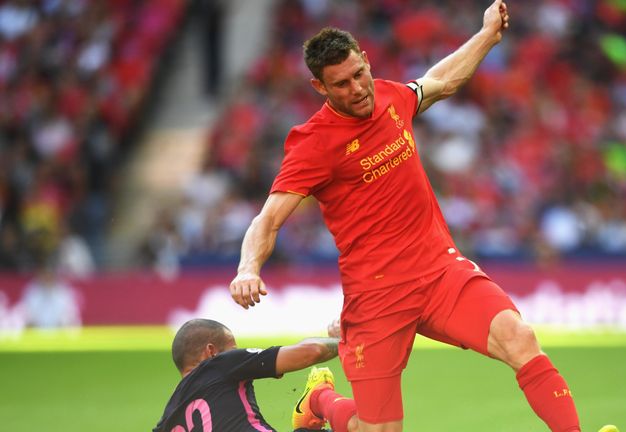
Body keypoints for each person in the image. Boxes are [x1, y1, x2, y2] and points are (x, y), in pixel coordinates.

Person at [230, 1, 582, 431]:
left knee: (519, 337)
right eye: (340, 84)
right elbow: (267, 220)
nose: (357, 89)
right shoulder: (313, 145)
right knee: (376, 428)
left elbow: (443, 80)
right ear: (320, 87)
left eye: (359, 74)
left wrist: (488, 34)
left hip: (439, 272)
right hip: (377, 296)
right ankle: (321, 400)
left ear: (366, 61)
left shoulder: (393, 96)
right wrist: (248, 267)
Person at [154, 318, 359, 432]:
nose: (237, 352)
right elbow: (312, 351)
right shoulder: (220, 364)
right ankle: (318, 398)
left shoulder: (165, 423)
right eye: (233, 348)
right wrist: (345, 340)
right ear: (211, 352)